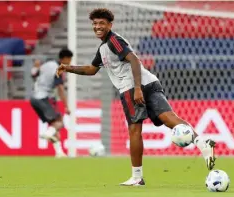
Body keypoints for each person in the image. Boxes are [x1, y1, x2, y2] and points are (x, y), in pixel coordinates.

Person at [56, 8, 216, 185]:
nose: (98, 26)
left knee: (134, 130)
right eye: (95, 23)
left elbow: (134, 60)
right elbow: (92, 69)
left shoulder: (113, 41)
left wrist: (137, 88)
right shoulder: (104, 48)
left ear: (110, 25)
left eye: (102, 23)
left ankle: (137, 177)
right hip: (151, 82)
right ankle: (202, 142)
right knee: (168, 117)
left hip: (132, 88)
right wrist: (68, 68)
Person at [30, 48, 73, 158]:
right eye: (70, 60)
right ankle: (47, 134)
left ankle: (59, 152)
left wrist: (36, 66)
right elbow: (60, 88)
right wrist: (66, 106)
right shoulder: (59, 69)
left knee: (54, 123)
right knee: (60, 123)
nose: (70, 62)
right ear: (65, 58)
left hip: (33, 98)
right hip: (44, 97)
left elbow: (34, 74)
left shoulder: (46, 64)